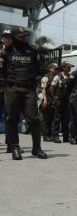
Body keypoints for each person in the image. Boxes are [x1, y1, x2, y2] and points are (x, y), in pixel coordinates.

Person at [0, 27, 47, 160]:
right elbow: (1, 72)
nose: (24, 38)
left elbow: (39, 69)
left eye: (25, 36)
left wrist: (37, 79)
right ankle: (15, 147)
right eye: (21, 36)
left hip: (28, 90)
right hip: (12, 89)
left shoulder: (32, 51)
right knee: (12, 119)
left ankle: (37, 148)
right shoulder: (5, 53)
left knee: (34, 119)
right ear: (14, 37)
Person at [50, 61, 73, 143]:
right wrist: (55, 97)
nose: (70, 68)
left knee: (66, 119)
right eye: (68, 66)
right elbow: (52, 88)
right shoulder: (58, 76)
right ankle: (55, 136)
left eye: (70, 66)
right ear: (63, 67)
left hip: (67, 101)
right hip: (59, 100)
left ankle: (66, 137)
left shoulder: (71, 76)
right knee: (57, 118)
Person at [41, 63, 58, 141]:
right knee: (46, 118)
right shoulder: (45, 78)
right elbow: (43, 89)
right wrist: (45, 100)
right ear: (50, 69)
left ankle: (51, 134)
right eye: (55, 68)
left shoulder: (57, 77)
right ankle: (45, 135)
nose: (56, 70)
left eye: (57, 68)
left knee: (53, 118)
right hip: (47, 98)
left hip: (54, 99)